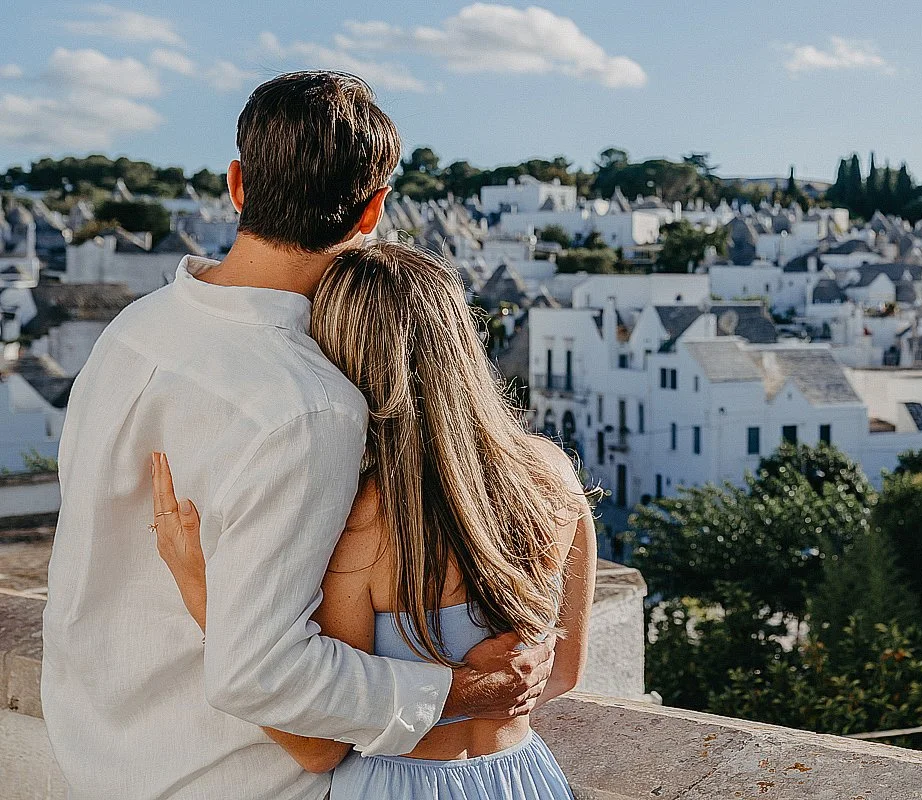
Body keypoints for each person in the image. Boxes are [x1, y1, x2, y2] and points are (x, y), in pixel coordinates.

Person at [41, 71, 556, 800]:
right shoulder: (309, 406)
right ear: (374, 208)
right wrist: (458, 695)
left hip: (96, 751)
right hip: (224, 776)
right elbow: (265, 674)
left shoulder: (136, 330)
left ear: (237, 185)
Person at [150, 241, 595, 798]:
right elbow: (563, 673)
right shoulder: (552, 473)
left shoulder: (360, 525)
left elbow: (318, 748)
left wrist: (200, 590)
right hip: (524, 776)